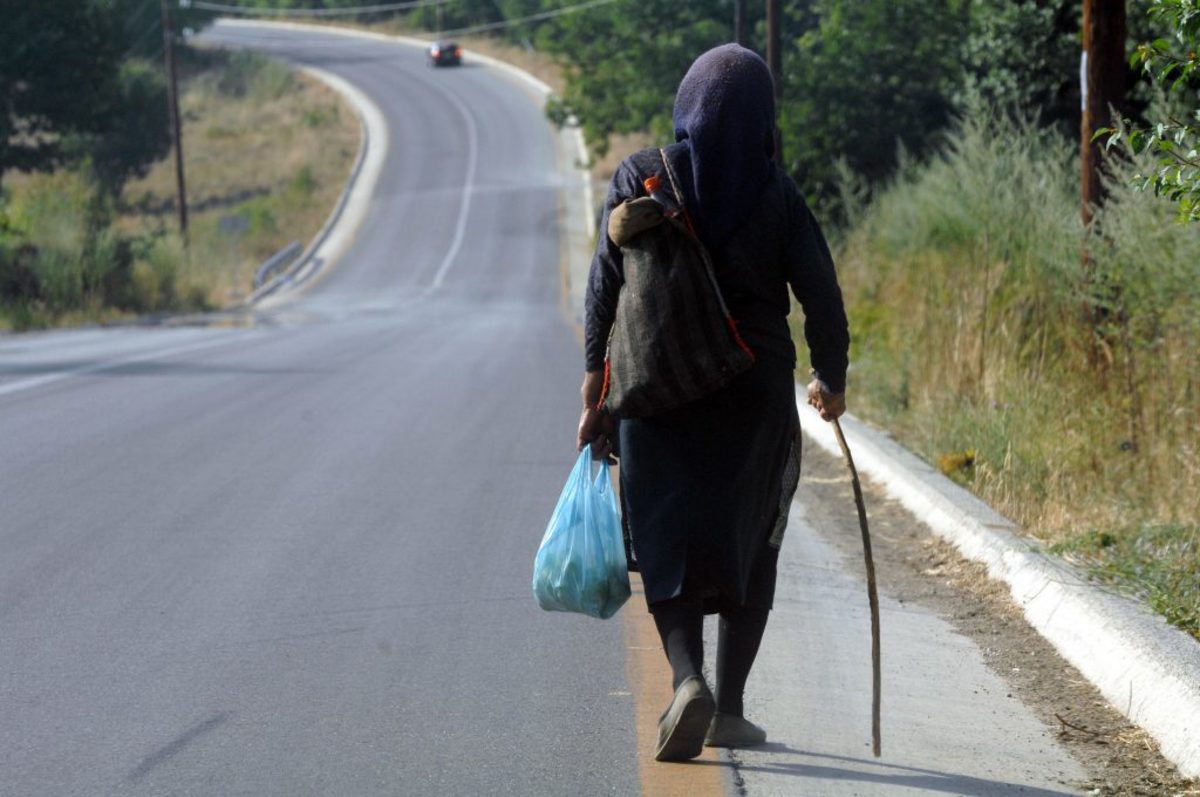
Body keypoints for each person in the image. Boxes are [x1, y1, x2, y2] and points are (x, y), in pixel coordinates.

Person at [576, 44, 850, 763]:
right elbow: (821, 292)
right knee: (751, 538)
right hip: (753, 394)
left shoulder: (642, 177)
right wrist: (831, 375)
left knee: (665, 535)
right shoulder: (776, 193)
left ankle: (686, 676)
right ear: (763, 118)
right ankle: (728, 707)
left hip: (654, 390)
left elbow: (604, 287)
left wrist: (592, 385)